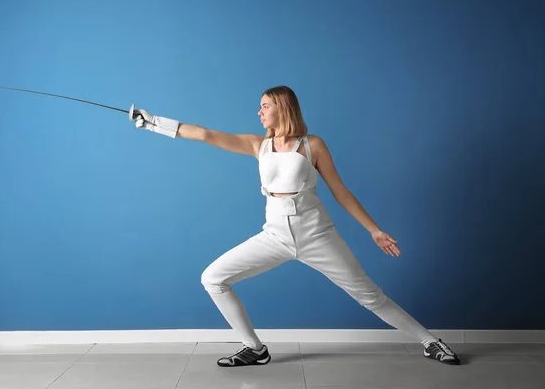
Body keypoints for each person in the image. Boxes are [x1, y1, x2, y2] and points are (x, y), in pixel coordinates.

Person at [131, 85, 461, 367]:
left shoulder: (312, 145)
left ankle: (431, 342)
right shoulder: (256, 145)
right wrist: (152, 123)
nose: (259, 111)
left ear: (283, 107)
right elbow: (205, 134)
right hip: (274, 236)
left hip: (317, 235)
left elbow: (340, 191)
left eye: (265, 106)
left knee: (370, 297)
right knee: (213, 278)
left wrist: (373, 229)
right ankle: (255, 350)